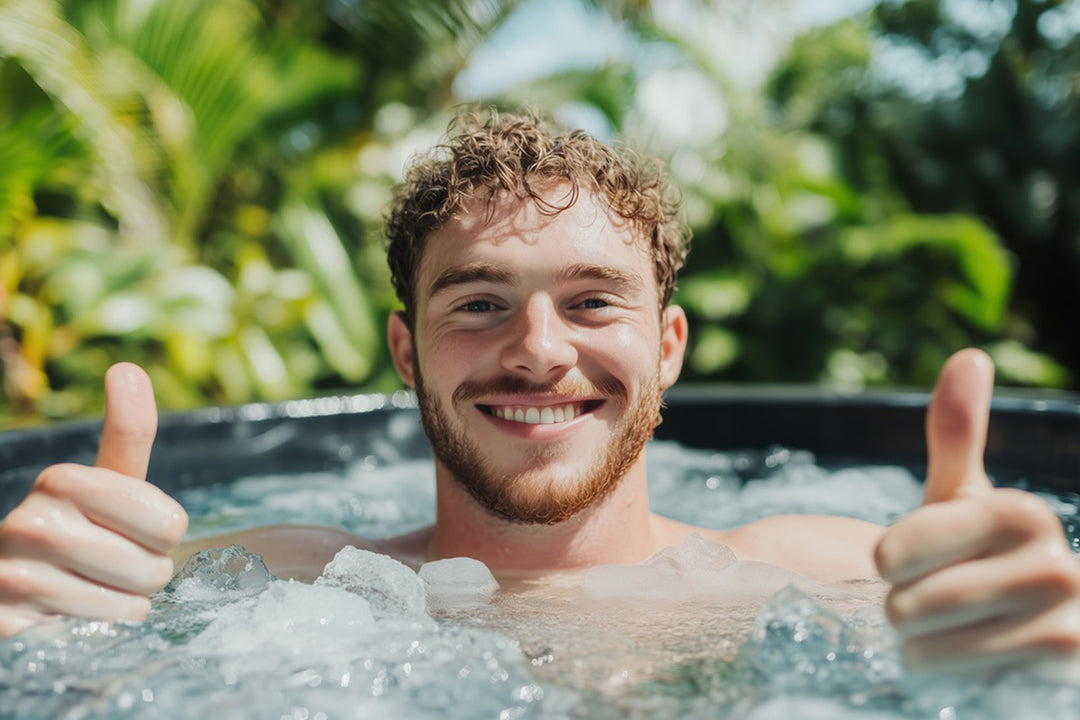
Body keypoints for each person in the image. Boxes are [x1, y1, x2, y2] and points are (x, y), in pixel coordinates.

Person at [1, 110, 1077, 674]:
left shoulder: (848, 575)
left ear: (670, 344)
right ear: (405, 351)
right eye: (477, 304)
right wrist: (39, 629)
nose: (537, 351)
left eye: (592, 302)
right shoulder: (263, 585)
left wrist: (1032, 677)